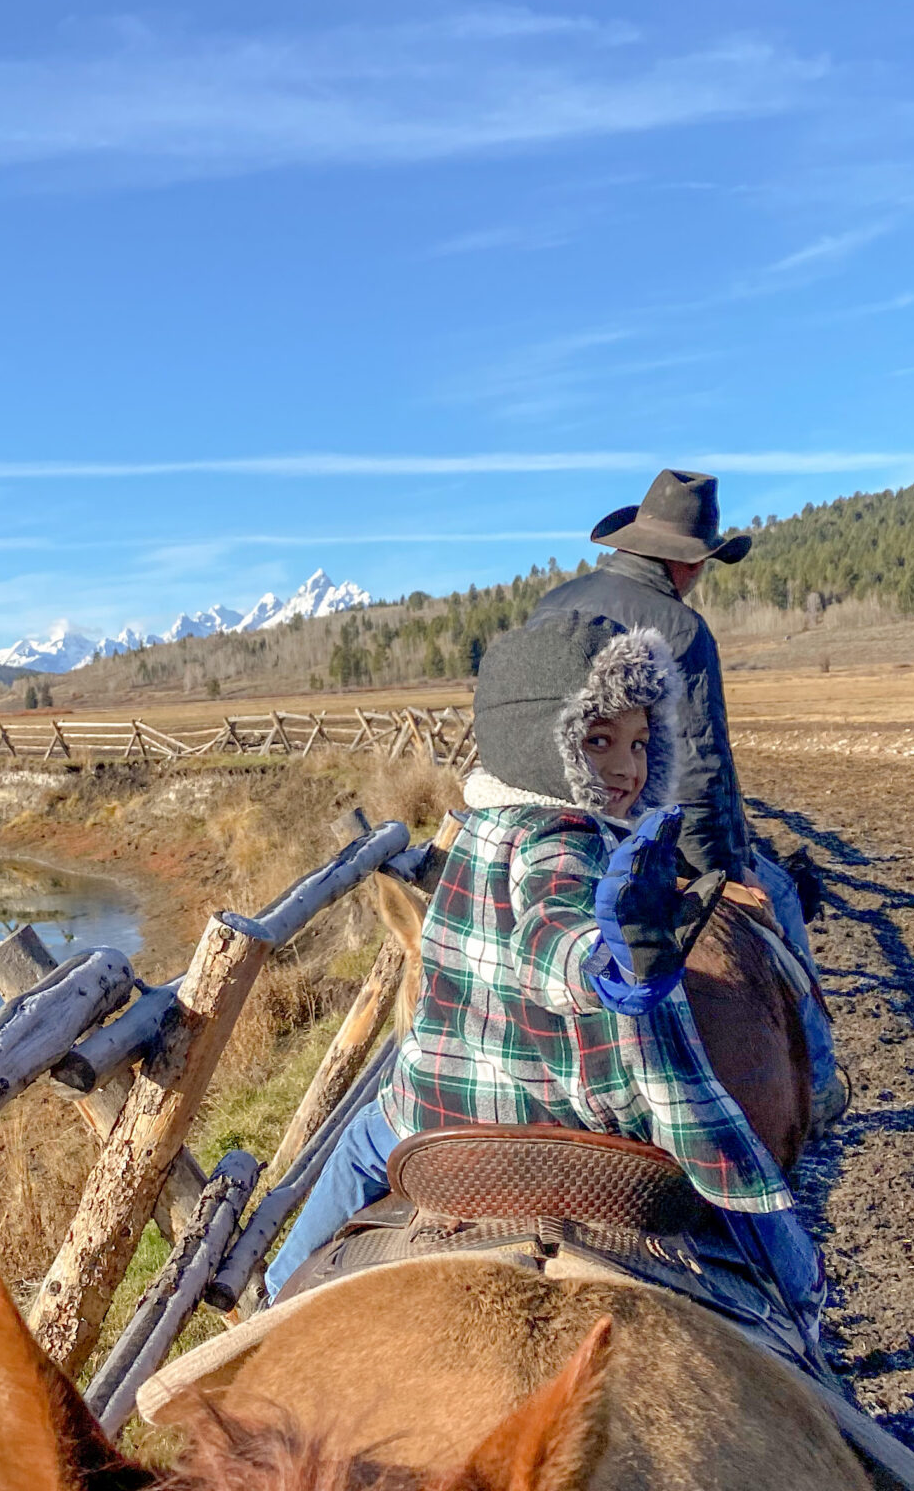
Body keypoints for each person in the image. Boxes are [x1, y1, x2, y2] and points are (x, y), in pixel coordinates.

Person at [263, 610, 825, 1334]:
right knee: (736, 1180)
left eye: (640, 742)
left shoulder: (479, 831)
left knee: (368, 1137)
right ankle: (800, 1304)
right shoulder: (567, 842)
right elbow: (555, 933)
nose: (627, 767)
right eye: (598, 740)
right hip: (580, 1109)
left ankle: (277, 1296)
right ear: (541, 741)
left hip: (443, 1108)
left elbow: (534, 933)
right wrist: (612, 963)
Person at [531, 468, 840, 1114]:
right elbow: (699, 768)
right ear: (690, 562)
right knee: (780, 899)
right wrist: (724, 871)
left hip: (554, 825)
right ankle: (821, 1081)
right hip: (646, 829)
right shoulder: (678, 629)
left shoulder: (551, 605)